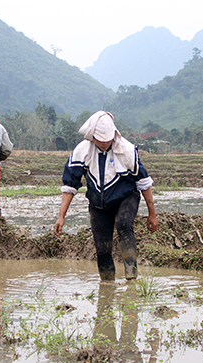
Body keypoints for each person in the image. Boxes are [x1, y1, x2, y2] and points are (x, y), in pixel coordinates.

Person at [54, 111, 158, 281]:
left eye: (107, 140)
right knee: (102, 247)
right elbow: (70, 185)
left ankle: (131, 277)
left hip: (126, 197)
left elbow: (144, 183)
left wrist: (152, 214)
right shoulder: (82, 151)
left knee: (124, 224)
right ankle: (107, 285)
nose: (104, 143)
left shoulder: (127, 150)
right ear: (92, 136)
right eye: (100, 140)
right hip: (99, 203)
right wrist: (61, 216)